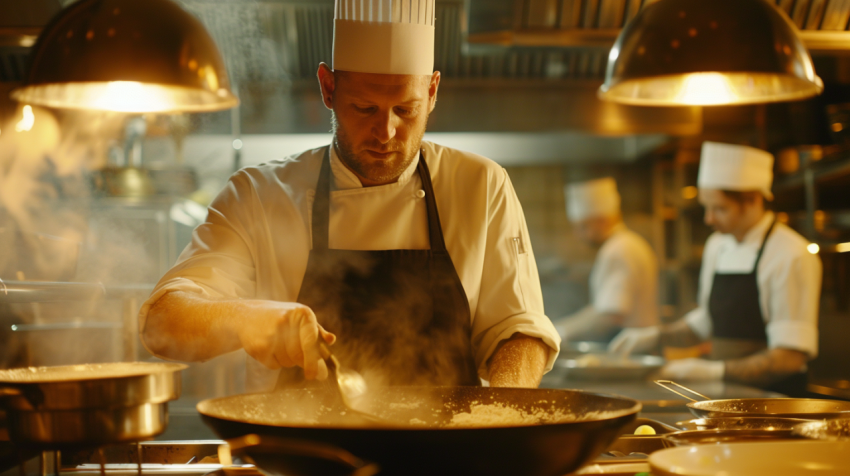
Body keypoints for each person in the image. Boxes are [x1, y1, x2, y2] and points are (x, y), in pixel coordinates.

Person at [139, 0, 560, 392]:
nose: (386, 132)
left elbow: (519, 330)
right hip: (300, 459)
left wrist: (497, 421)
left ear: (432, 92)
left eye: (406, 110)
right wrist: (249, 317)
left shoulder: (480, 186)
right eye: (364, 108)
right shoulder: (258, 196)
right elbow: (163, 320)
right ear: (328, 88)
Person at [610, 142, 821, 397]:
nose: (708, 219)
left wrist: (713, 372)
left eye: (719, 209)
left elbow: (789, 357)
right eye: (706, 207)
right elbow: (708, 321)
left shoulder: (790, 254)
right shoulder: (717, 245)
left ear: (752, 200)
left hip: (776, 403)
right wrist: (656, 336)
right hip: (727, 398)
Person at [556, 178, 659, 343]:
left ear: (602, 220)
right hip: (638, 344)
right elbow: (603, 307)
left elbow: (611, 314)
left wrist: (560, 332)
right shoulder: (631, 242)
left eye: (583, 227)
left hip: (630, 347)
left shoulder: (617, 250)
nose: (578, 235)